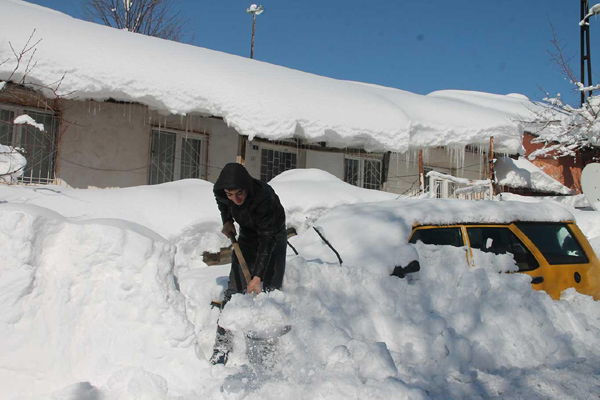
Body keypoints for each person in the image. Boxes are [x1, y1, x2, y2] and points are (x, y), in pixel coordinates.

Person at [210, 162, 287, 365]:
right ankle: (222, 345)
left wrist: (258, 276)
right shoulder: (222, 193)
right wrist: (227, 220)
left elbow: (267, 238)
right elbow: (222, 203)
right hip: (246, 236)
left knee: (269, 290)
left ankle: (267, 352)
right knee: (234, 289)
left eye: (239, 194)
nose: (235, 199)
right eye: (230, 194)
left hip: (274, 236)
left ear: (247, 187)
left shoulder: (263, 199)